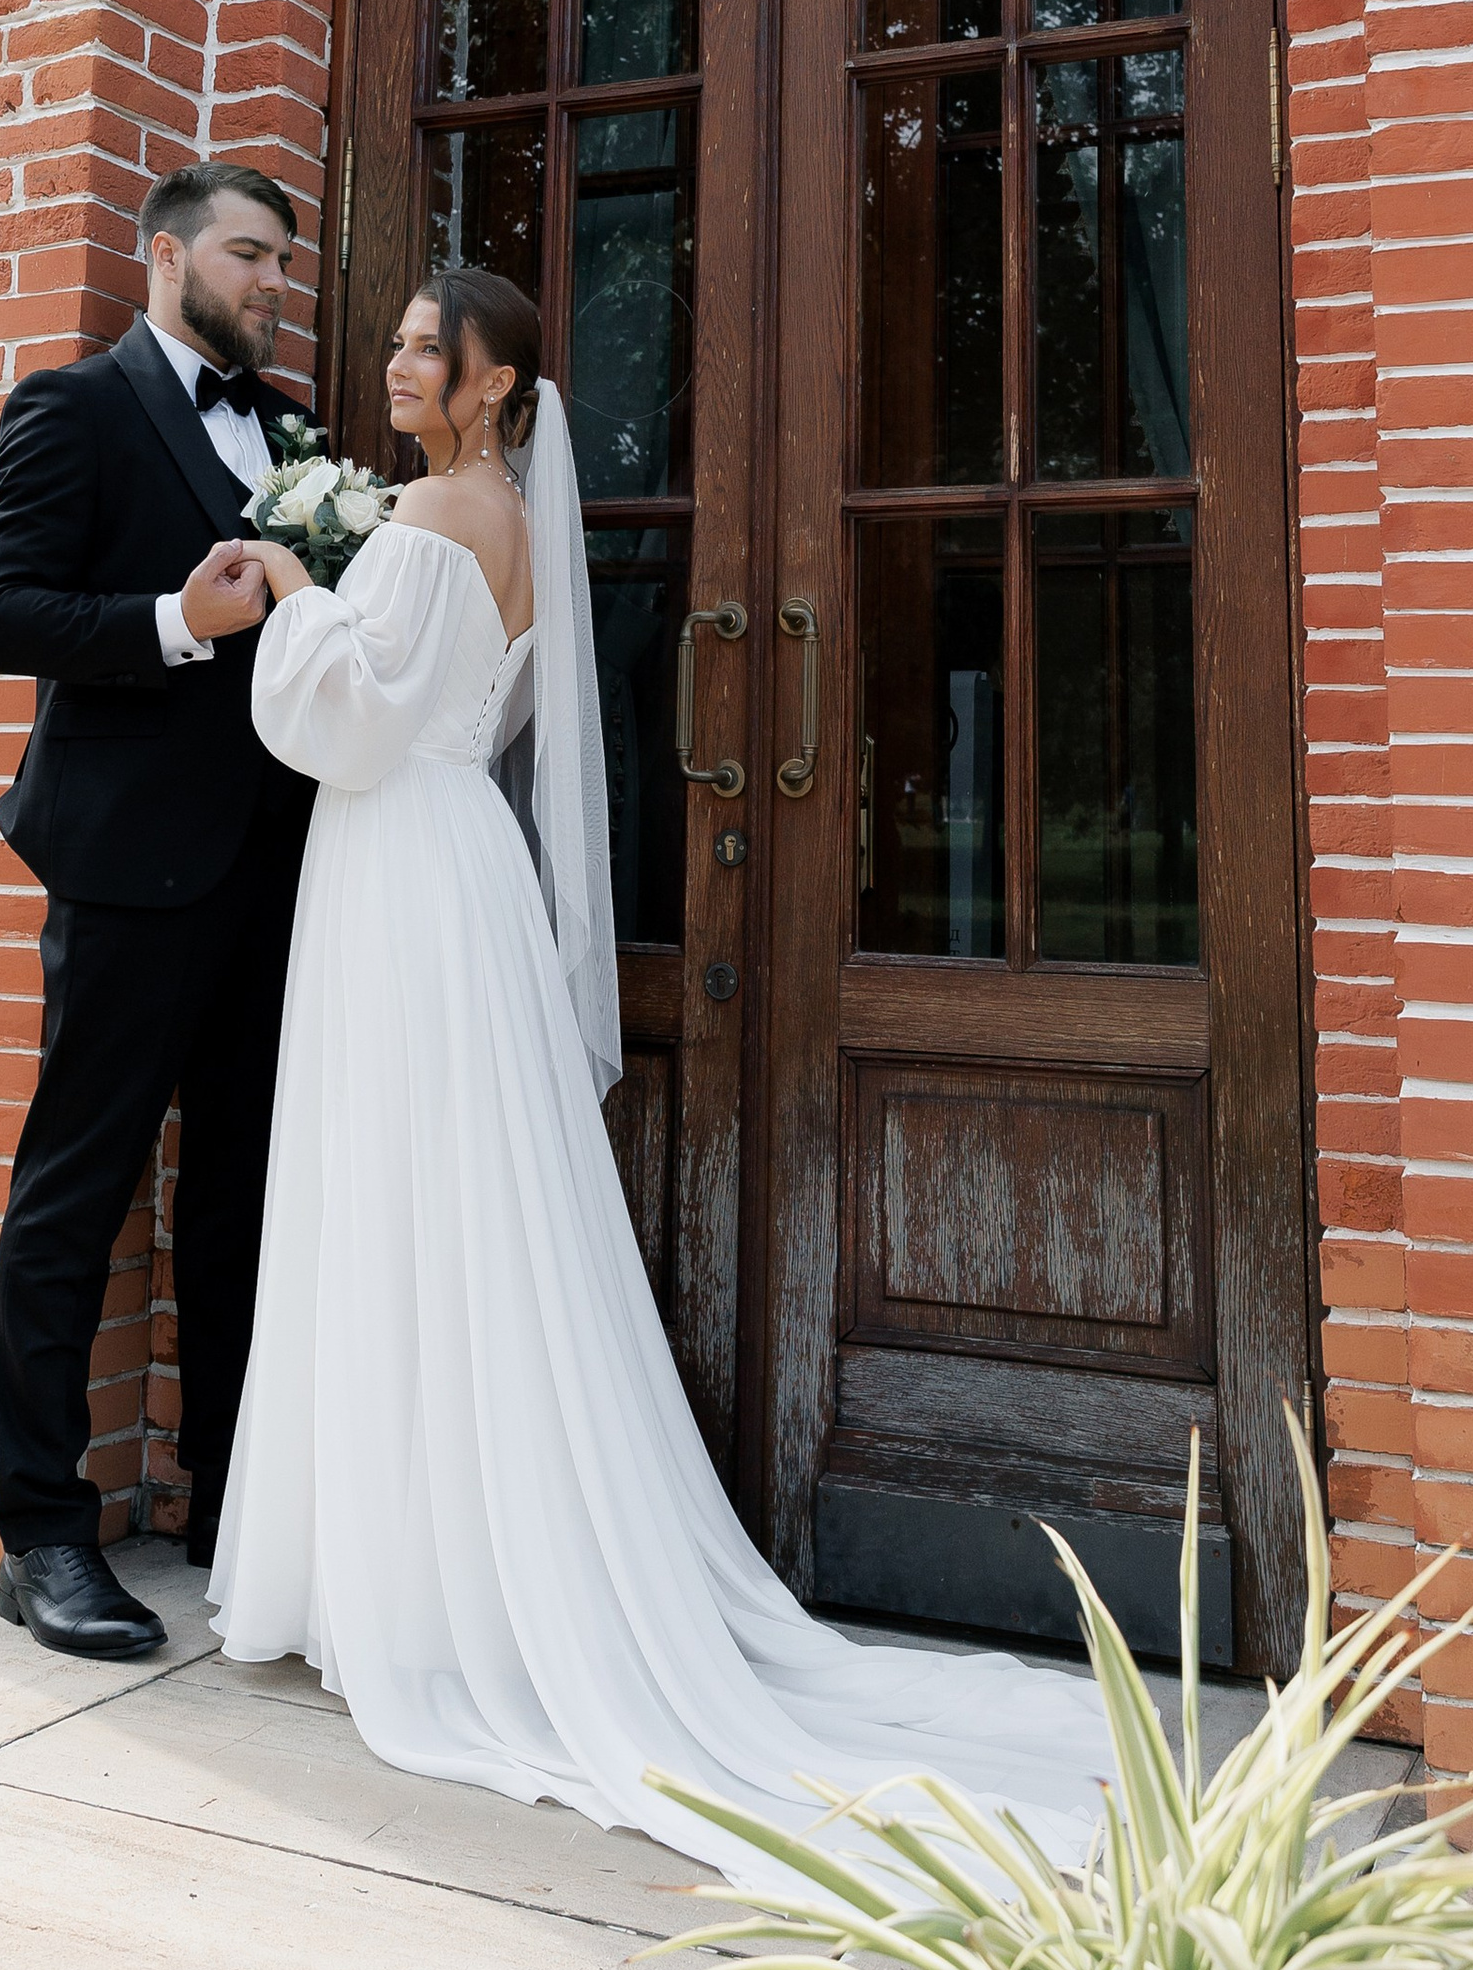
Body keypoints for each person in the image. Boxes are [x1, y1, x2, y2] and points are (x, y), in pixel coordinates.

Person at [210, 268, 1110, 1883]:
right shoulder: (502, 525)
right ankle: (426, 1564)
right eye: (402, 342)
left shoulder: (427, 525)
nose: (398, 362)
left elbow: (347, 726)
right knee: (448, 1207)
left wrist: (292, 583)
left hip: (397, 870)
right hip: (454, 868)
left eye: (430, 348)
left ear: (492, 388)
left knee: (395, 1197)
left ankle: (402, 1587)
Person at [0, 162, 317, 1659]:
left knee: (238, 1199)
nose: (270, 287)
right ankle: (42, 1537)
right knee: (77, 1194)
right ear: (165, 256)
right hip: (123, 871)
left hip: (275, 871)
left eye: (283, 269)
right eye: (248, 257)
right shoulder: (73, 405)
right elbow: (2, 616)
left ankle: (230, 1507)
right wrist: (183, 622)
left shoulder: (296, 435)